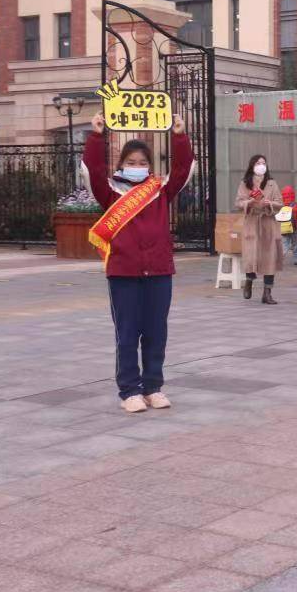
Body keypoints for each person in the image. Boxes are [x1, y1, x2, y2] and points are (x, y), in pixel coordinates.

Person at [84, 112, 192, 414]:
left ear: (149, 167)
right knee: (128, 333)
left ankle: (153, 387)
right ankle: (129, 390)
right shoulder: (110, 192)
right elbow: (93, 171)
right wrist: (96, 137)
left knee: (156, 332)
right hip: (123, 272)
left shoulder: (159, 190)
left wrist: (180, 136)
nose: (137, 168)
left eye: (142, 163)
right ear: (121, 166)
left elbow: (182, 170)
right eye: (130, 163)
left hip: (159, 271)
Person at [236, 154, 284, 305]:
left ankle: (267, 293)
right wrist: (249, 202)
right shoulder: (245, 183)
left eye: (264, 163)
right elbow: (238, 202)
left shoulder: (271, 183)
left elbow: (280, 202)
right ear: (252, 165)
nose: (261, 165)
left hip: (268, 223)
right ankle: (249, 280)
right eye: (258, 163)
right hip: (251, 223)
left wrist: (269, 203)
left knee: (269, 258)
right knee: (250, 256)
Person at [279, 185, 297, 266]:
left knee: (285, 245)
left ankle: (280, 258)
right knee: (295, 244)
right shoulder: (295, 205)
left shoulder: (282, 206)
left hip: (285, 229)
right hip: (294, 228)